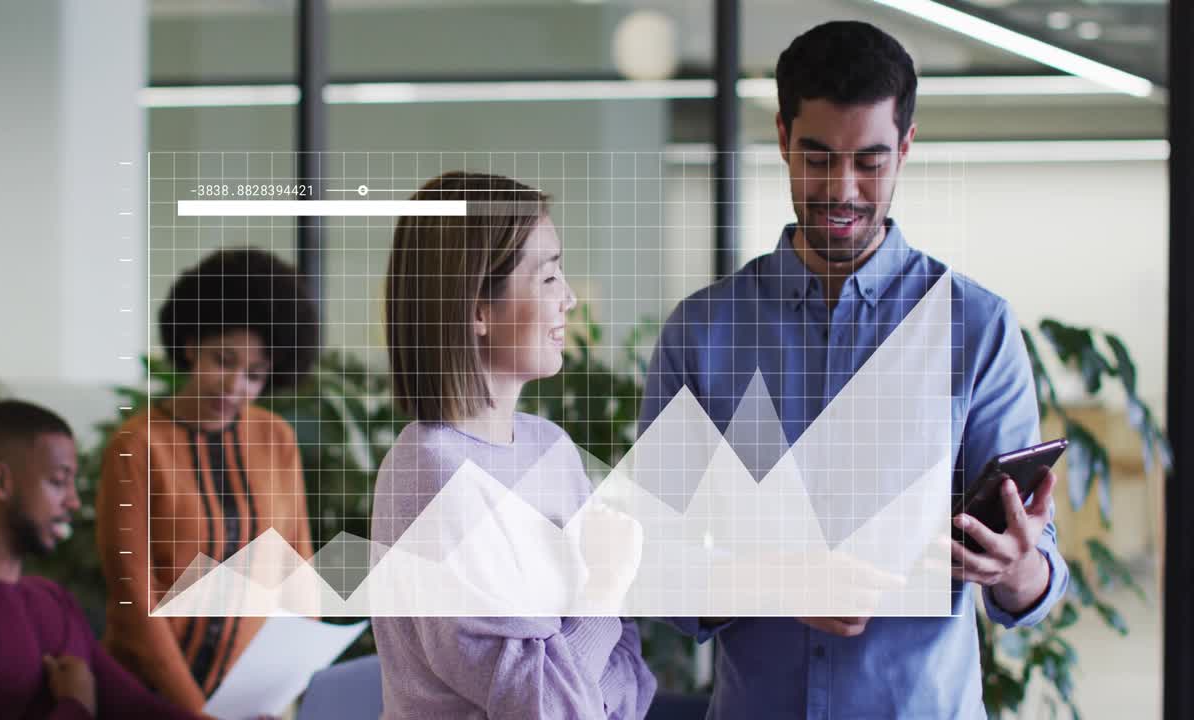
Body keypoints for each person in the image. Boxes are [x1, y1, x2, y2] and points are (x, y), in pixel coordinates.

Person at [640, 21, 1069, 719]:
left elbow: (1031, 578)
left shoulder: (977, 328)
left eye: (870, 162)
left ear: (905, 147)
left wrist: (1018, 568)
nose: (842, 190)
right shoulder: (702, 333)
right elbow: (658, 568)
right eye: (817, 158)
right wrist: (773, 583)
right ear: (782, 137)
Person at [371, 171, 656, 719]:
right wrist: (605, 589)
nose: (569, 298)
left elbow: (631, 672)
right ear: (477, 306)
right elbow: (547, 708)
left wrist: (579, 682)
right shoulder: (432, 478)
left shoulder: (549, 447)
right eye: (548, 278)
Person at [96, 248, 319, 711]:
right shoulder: (138, 446)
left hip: (252, 699)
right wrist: (194, 710)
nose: (235, 386)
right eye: (223, 360)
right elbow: (136, 601)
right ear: (192, 343)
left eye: (255, 375)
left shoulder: (275, 438)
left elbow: (297, 567)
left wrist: (292, 680)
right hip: (148, 698)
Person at [0, 400, 199, 719]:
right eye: (58, 481)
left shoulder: (52, 602)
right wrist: (75, 705)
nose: (74, 501)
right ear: (1, 482)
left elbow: (139, 709)